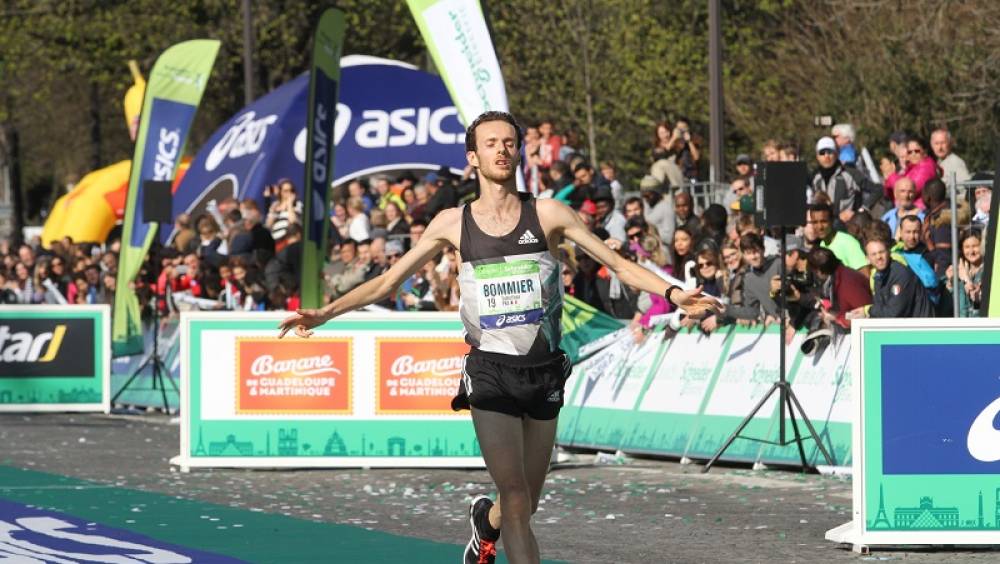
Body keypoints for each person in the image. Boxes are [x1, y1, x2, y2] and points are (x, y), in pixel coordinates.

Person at [277, 111, 718, 564]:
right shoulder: (453, 223)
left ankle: (485, 523)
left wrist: (674, 293)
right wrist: (327, 312)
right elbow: (389, 282)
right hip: (490, 370)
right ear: (473, 157)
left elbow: (618, 264)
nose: (502, 150)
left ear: (519, 152)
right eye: (490, 143)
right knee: (517, 496)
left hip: (543, 369)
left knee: (525, 503)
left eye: (509, 142)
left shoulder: (547, 213)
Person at [853, 237, 934, 319]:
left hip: (921, 324)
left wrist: (868, 311)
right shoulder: (878, 276)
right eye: (874, 254)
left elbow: (895, 313)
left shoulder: (900, 274)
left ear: (889, 252)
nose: (878, 257)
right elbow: (881, 307)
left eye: (881, 252)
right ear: (868, 259)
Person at [804, 203, 868, 270]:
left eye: (824, 221)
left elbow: (864, 274)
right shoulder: (822, 245)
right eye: (815, 222)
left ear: (832, 221)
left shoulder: (847, 242)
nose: (820, 227)